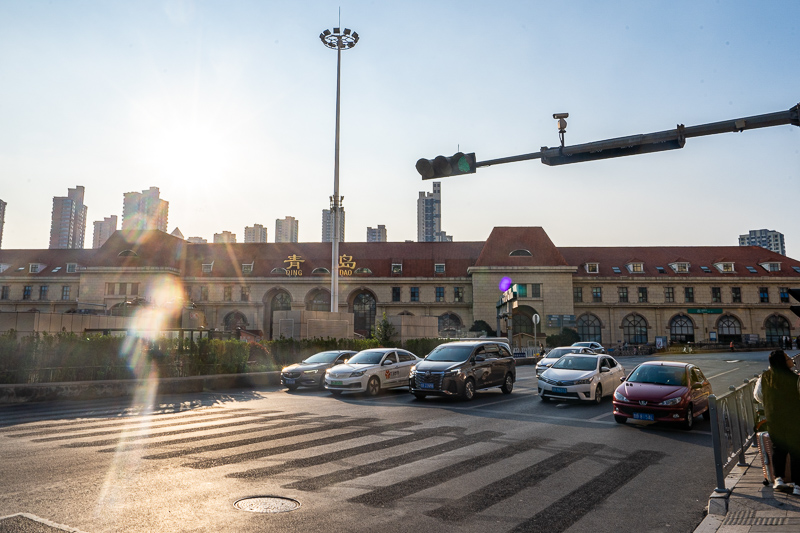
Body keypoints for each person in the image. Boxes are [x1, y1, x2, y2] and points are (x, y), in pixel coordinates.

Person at [754, 350, 800, 496]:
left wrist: (770, 402)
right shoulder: (795, 378)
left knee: (778, 447)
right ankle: (798, 485)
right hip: (794, 417)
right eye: (788, 357)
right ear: (783, 361)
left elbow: (758, 396)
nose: (791, 359)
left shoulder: (765, 377)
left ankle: (778, 479)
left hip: (773, 417)